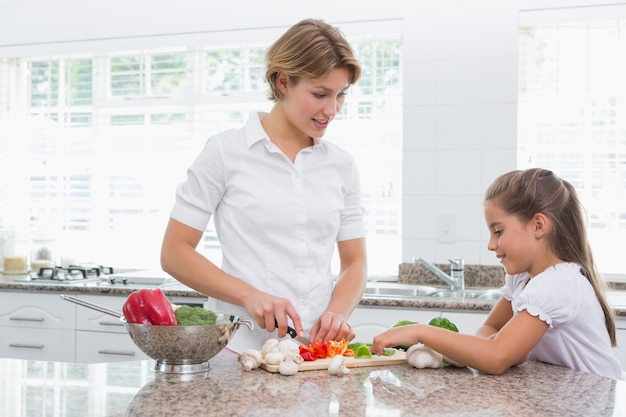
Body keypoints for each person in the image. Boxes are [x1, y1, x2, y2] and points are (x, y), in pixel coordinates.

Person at [160, 19, 367, 352]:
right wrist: (249, 295)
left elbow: (355, 262)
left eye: (341, 95)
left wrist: (336, 313)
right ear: (283, 81)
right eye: (320, 94)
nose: (332, 109)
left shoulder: (341, 166)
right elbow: (174, 253)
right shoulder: (225, 152)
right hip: (240, 349)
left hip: (312, 354)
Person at [371, 168, 623, 380]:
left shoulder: (558, 283)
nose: (490, 245)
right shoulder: (523, 278)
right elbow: (491, 327)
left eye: (498, 231)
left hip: (594, 401)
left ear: (538, 226)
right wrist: (476, 349)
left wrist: (421, 331)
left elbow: (495, 357)